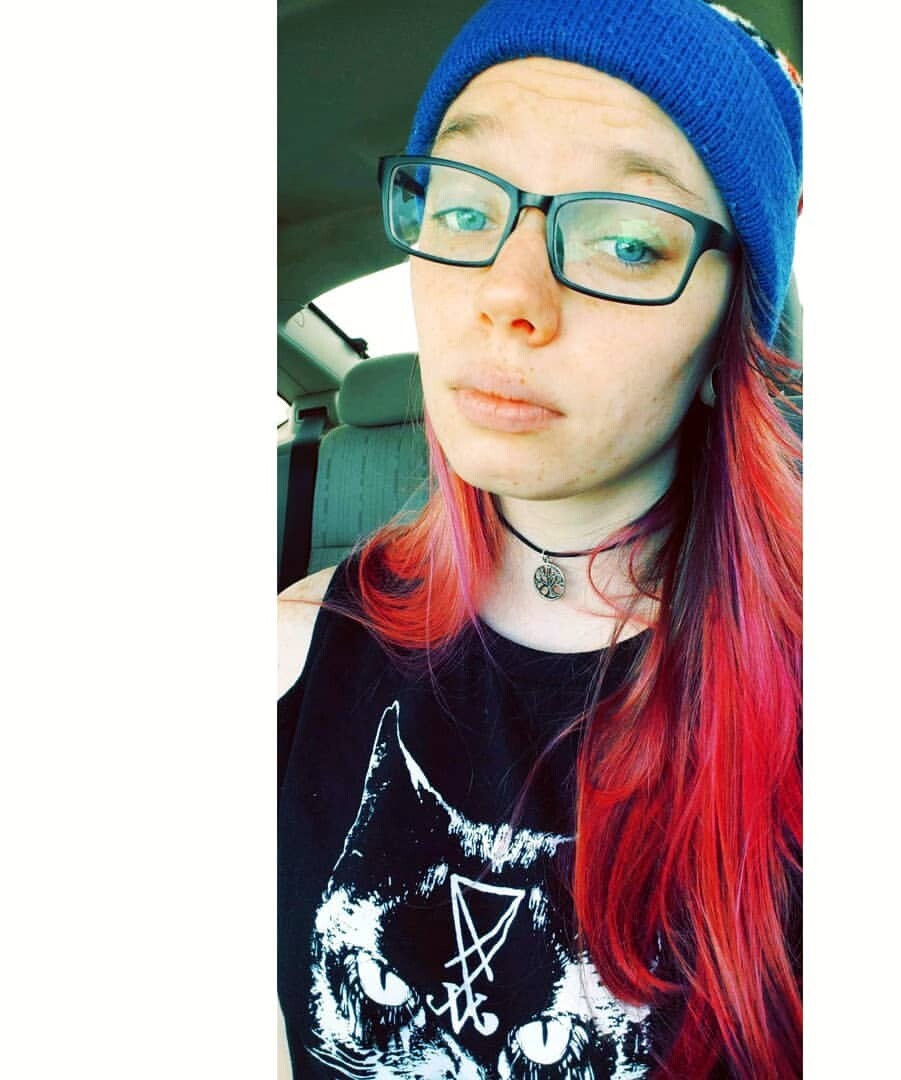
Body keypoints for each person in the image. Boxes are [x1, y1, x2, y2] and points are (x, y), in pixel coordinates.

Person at [279, 1, 802, 1076]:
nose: (508, 297)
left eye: (627, 239)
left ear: (727, 331)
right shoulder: (287, 652)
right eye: (466, 209)